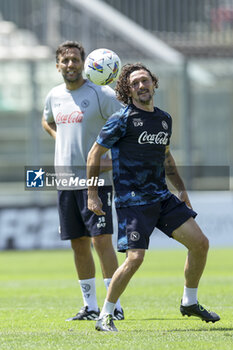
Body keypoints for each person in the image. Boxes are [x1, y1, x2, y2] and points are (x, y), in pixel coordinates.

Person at [87, 63, 220, 332]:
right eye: (134, 83)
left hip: (161, 197)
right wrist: (92, 193)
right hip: (133, 201)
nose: (141, 86)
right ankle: (105, 316)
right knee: (135, 258)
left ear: (153, 83)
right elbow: (94, 155)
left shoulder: (163, 119)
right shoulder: (121, 119)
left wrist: (181, 190)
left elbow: (166, 156)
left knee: (200, 244)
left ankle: (189, 302)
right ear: (128, 90)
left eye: (144, 80)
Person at [41, 40, 124, 321]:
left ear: (84, 63)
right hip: (65, 181)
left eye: (75, 60)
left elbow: (127, 124)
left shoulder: (101, 93)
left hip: (96, 181)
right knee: (78, 242)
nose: (70, 65)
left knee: (101, 240)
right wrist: (61, 138)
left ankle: (115, 305)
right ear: (57, 66)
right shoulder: (54, 95)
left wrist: (113, 161)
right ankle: (89, 306)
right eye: (65, 61)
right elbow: (47, 121)